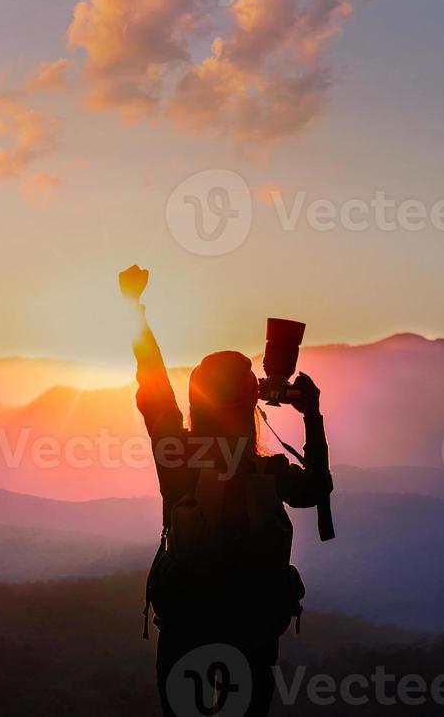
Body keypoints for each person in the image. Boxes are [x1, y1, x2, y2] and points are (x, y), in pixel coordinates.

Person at [118, 265, 334, 717]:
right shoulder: (266, 471)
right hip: (252, 631)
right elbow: (316, 487)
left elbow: (153, 387)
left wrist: (135, 311)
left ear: (198, 400)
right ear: (248, 403)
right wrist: (312, 416)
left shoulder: (177, 455)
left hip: (186, 624)